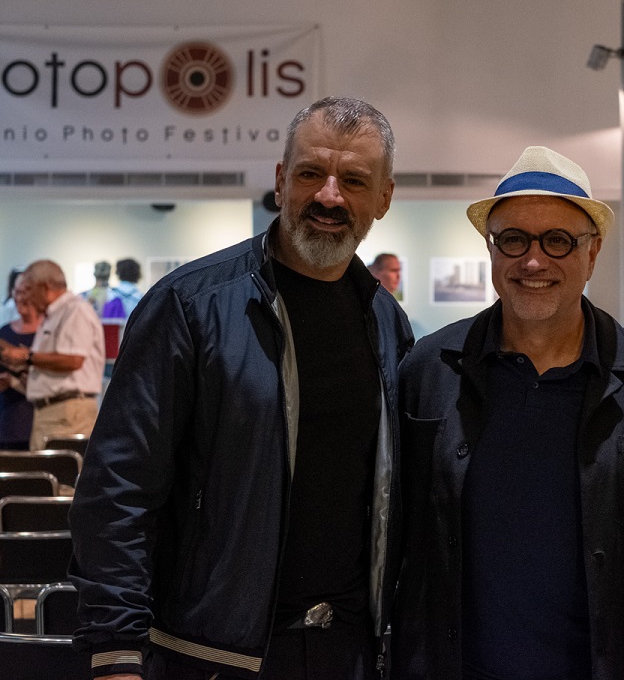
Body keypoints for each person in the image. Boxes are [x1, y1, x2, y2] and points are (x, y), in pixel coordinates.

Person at [68, 96, 413, 680]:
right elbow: (118, 489)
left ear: (383, 198)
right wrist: (116, 651)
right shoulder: (189, 306)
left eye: (354, 181)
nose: (329, 196)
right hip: (210, 655)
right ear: (281, 181)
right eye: (311, 173)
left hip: (350, 652)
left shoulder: (385, 322)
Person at [393, 146, 624, 680]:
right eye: (514, 239)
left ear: (592, 253)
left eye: (558, 240)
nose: (533, 262)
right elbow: (400, 533)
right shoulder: (430, 369)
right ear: (491, 250)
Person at [0, 259, 105, 451]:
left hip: (66, 412)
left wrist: (27, 357)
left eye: (29, 290)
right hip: (52, 412)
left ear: (45, 287)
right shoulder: (54, 315)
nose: (27, 297)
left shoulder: (75, 310)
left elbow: (74, 360)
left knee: (62, 468)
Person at [0, 274, 44, 450]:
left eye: (25, 292)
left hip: (40, 416)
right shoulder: (4, 331)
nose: (20, 298)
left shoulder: (48, 332)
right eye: (16, 292)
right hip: (8, 417)